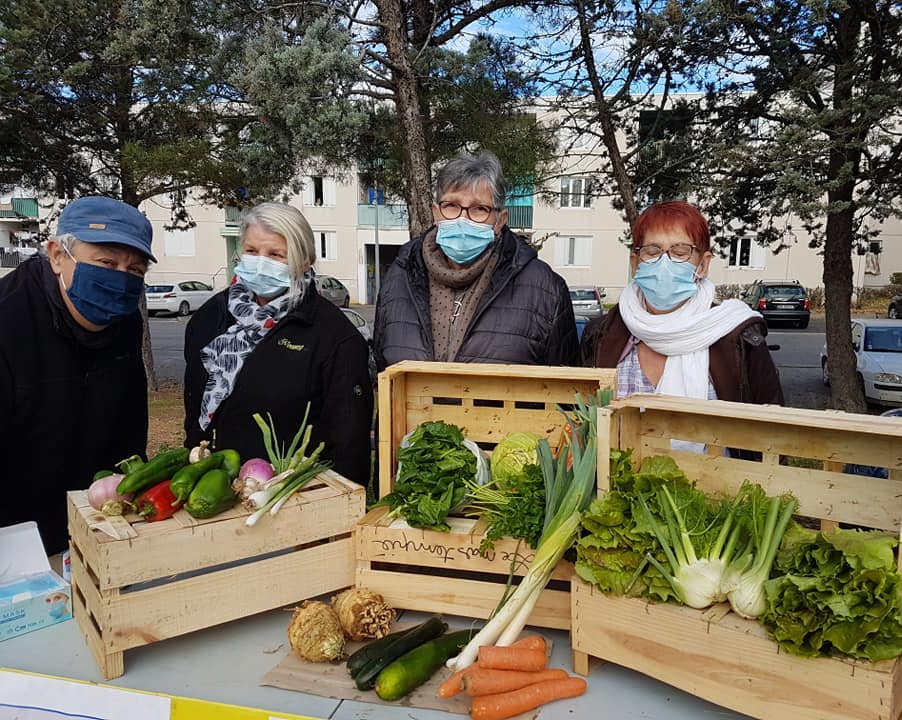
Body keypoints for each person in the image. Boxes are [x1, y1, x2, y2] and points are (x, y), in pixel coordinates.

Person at [0, 196, 152, 554]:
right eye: (105, 261)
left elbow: (129, 426)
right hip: (14, 540)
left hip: (97, 524)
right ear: (57, 255)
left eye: (135, 271)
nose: (119, 279)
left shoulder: (124, 321)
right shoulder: (8, 323)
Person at [183, 203, 373, 485]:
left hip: (291, 494)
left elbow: (348, 445)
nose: (261, 262)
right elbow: (195, 404)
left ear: (304, 261)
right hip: (214, 486)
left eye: (276, 254)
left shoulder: (334, 337)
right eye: (251, 251)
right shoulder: (210, 318)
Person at [374, 151, 578, 369]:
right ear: (436, 212)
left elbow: (567, 392)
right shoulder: (399, 278)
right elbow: (382, 372)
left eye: (479, 209)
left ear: (500, 220)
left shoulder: (545, 290)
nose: (462, 219)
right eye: (451, 206)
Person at [580, 200, 783, 407]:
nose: (664, 263)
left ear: (703, 265)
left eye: (680, 252)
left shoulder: (738, 336)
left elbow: (772, 429)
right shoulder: (599, 335)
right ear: (635, 263)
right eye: (652, 252)